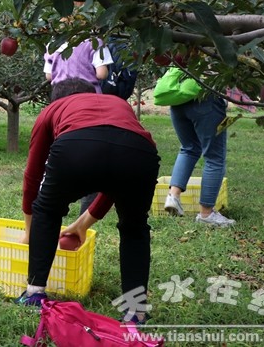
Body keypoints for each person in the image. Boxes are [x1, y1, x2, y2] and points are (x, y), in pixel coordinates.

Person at [17, 78, 160, 325]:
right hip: (140, 153)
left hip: (76, 146)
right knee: (134, 228)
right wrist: (83, 223)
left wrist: (30, 228)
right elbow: (114, 182)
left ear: (56, 99)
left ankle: (34, 294)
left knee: (48, 210)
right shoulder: (117, 103)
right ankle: (135, 312)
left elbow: (33, 174)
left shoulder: (53, 109)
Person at [43, 37, 113, 213]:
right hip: (89, 102)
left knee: (60, 150)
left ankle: (53, 203)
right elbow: (101, 73)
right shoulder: (94, 42)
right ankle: (87, 208)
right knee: (91, 153)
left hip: (60, 101)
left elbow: (49, 75)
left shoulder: (53, 43)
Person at [163, 87, 234, 226]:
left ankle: (173, 196)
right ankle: (206, 214)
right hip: (205, 99)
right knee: (214, 157)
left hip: (178, 100)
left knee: (188, 149)